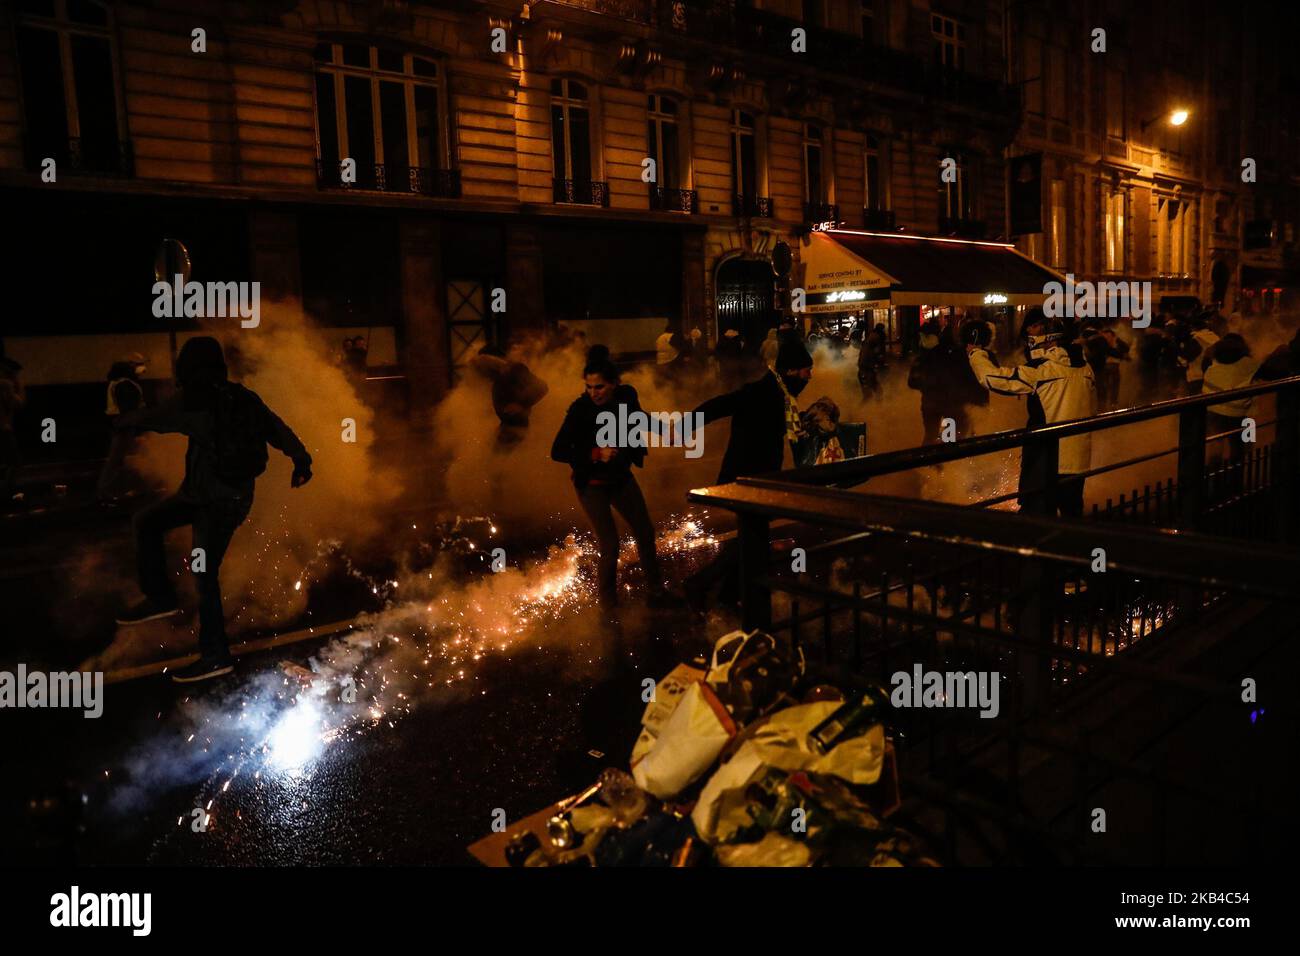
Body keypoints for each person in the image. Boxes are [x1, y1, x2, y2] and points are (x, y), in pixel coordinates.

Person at [114, 336, 314, 683]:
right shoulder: (244, 398)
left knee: (201, 572)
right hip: (223, 498)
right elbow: (278, 430)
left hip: (212, 502)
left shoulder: (195, 400)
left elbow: (152, 419)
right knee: (149, 522)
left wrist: (124, 418)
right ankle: (162, 599)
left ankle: (215, 654)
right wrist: (301, 460)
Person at [684, 337, 814, 610]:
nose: (809, 376)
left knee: (750, 539)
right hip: (746, 477)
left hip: (760, 478)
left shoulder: (783, 396)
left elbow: (783, 427)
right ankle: (701, 585)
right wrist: (688, 424)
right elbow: (721, 405)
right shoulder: (762, 391)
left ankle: (726, 595)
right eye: (805, 371)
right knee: (750, 540)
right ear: (791, 371)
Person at [550, 350, 669, 609]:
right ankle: (608, 606)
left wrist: (667, 430)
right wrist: (595, 453)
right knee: (610, 544)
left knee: (645, 532)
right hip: (591, 485)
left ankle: (657, 592)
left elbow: (638, 418)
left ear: (614, 383)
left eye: (600, 387)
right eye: (589, 387)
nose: (594, 393)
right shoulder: (579, 411)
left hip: (620, 478)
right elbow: (557, 451)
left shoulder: (626, 397)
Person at [966, 311, 1097, 517]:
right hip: (1078, 455)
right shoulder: (1085, 367)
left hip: (1047, 455)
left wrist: (976, 353)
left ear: (1048, 340)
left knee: (1037, 515)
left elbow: (992, 378)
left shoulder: (1043, 369)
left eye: (1033, 336)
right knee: (1072, 513)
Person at [471, 342, 549, 451]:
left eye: (484, 361)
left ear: (493, 360)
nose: (481, 367)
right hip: (507, 426)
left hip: (516, 427)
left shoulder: (515, 370)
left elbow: (542, 387)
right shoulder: (498, 376)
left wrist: (521, 404)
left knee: (498, 459)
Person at [96, 352, 148, 501]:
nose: (143, 368)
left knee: (122, 459)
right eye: (139, 364)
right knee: (118, 459)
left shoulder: (119, 382)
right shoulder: (125, 384)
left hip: (120, 424)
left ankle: (119, 489)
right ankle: (106, 490)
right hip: (125, 426)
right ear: (131, 366)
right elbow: (130, 408)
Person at [0, 344, 23, 502]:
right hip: (4, 428)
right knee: (14, 463)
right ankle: (6, 493)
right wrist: (19, 386)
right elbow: (18, 403)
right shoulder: (5, 384)